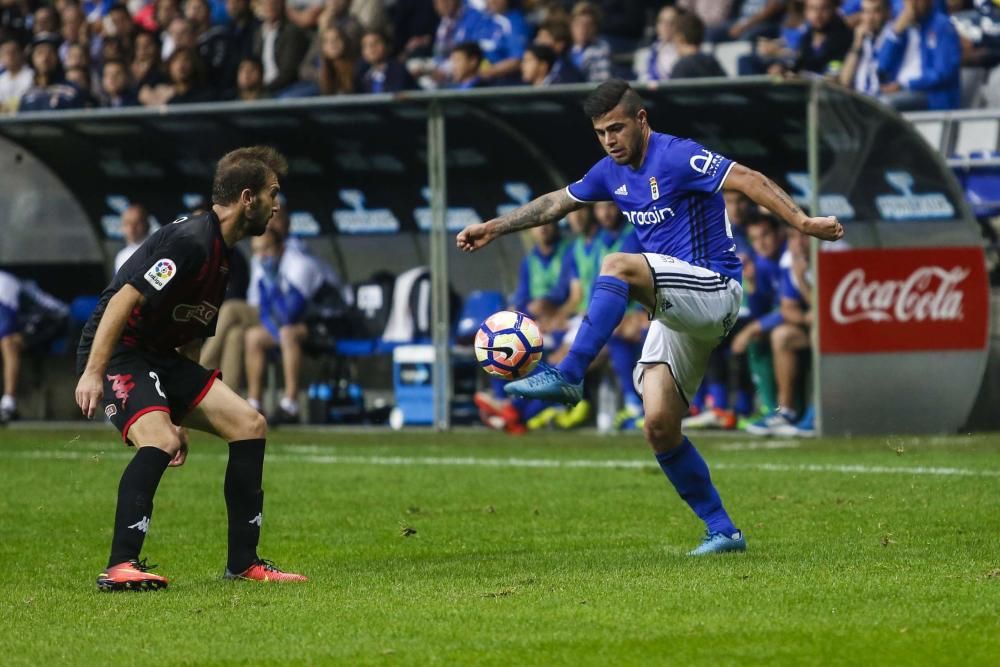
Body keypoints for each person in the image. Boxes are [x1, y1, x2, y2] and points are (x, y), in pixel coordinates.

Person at [456, 79, 843, 555]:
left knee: (617, 263)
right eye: (600, 133)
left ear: (641, 120)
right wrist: (494, 227)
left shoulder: (677, 156)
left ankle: (569, 373)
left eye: (616, 128)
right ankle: (723, 530)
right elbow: (556, 202)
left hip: (715, 288)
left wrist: (802, 222)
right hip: (676, 308)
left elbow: (749, 179)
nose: (609, 140)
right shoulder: (609, 172)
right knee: (658, 425)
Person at [74, 146, 307, 591]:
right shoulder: (192, 242)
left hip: (162, 356)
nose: (277, 207)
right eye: (272, 194)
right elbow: (124, 297)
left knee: (249, 423)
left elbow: (193, 332)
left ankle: (244, 563)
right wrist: (92, 371)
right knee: (159, 439)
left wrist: (180, 404)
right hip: (120, 351)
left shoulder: (224, 255)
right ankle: (121, 564)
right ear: (247, 198)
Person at [0, 270, 69, 424]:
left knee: (9, 343)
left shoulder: (3, 284)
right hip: (27, 323)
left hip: (54, 320)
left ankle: (8, 405)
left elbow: (6, 329)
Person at [877, 0, 961, 110]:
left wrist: (905, 84)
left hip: (932, 96)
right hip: (899, 91)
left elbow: (943, 73)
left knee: (885, 104)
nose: (913, 5)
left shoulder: (942, 25)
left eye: (917, 0)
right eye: (908, 1)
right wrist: (895, 33)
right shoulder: (901, 28)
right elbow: (882, 66)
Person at [838, 0, 891, 96]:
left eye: (876, 11)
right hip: (860, 100)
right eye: (866, 12)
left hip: (879, 99)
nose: (870, 18)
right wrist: (857, 43)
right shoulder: (862, 37)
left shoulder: (892, 38)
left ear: (887, 13)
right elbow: (844, 80)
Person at [669, 11, 727, 79]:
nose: (672, 41)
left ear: (679, 38)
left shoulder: (681, 67)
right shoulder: (712, 61)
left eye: (673, 37)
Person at [0, 34, 33, 113]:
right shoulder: (1, 79)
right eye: (6, 53)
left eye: (14, 52)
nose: (10, 56)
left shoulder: (32, 75)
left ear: (22, 53)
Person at [113, 204, 150, 274]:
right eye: (127, 223)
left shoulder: (158, 248)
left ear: (147, 224)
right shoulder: (121, 256)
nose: (131, 228)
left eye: (136, 223)